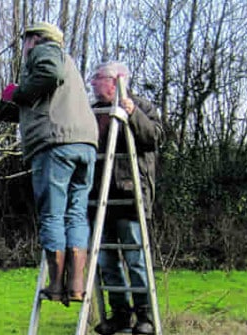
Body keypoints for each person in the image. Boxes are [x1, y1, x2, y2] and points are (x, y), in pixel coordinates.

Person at [0, 22, 99, 305]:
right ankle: (77, 286)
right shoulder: (67, 69)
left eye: (25, 42)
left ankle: (56, 286)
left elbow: (46, 76)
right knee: (76, 214)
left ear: (34, 39)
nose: (24, 48)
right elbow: (21, 110)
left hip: (55, 144)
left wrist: (19, 92)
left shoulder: (46, 52)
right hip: (84, 145)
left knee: (52, 215)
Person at [88, 61, 163, 335]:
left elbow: (153, 138)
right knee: (106, 259)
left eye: (98, 79)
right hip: (99, 197)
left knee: (135, 258)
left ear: (117, 80)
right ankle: (119, 314)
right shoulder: (93, 111)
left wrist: (131, 114)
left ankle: (145, 316)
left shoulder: (141, 106)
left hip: (131, 196)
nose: (93, 84)